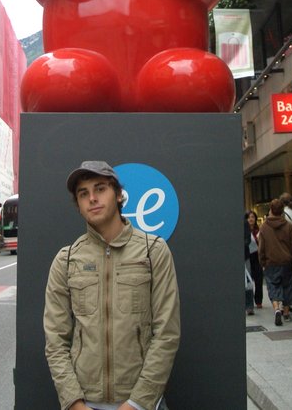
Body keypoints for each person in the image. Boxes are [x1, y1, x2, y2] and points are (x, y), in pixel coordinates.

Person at [43, 161, 181, 410]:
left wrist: (138, 402)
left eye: (100, 189)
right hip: (85, 403)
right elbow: (55, 339)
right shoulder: (66, 260)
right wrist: (73, 402)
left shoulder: (153, 251)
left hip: (143, 403)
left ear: (118, 194)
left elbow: (167, 333)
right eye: (83, 194)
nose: (92, 198)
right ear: (78, 204)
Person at [258, 199, 292, 327]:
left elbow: (261, 248)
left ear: (271, 210)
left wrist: (262, 261)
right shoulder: (288, 226)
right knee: (287, 286)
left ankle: (276, 308)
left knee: (273, 285)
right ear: (282, 211)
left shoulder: (264, 227)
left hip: (271, 262)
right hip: (286, 261)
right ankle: (286, 313)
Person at [246, 211, 263, 309]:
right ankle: (250, 301)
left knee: (259, 279)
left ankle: (258, 301)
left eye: (252, 217)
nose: (251, 219)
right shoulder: (245, 231)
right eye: (249, 217)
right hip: (248, 257)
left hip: (257, 256)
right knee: (249, 280)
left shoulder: (259, 230)